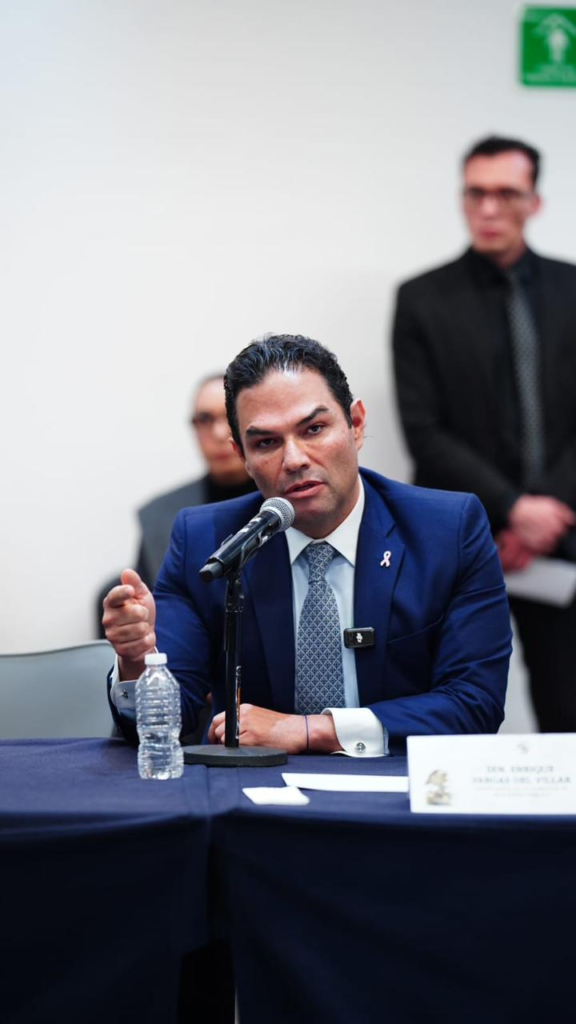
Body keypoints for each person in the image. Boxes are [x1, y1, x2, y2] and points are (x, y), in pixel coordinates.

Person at [103, 334, 511, 754]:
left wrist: (309, 731)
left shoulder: (447, 530)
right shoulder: (206, 542)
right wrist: (136, 663)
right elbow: (167, 721)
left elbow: (474, 703)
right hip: (256, 790)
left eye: (314, 429)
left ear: (356, 424)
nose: (294, 459)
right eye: (266, 443)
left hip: (399, 782)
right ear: (242, 456)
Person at [392, 135, 576, 732]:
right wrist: (513, 508)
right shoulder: (422, 299)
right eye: (476, 193)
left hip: (563, 538)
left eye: (506, 194)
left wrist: (544, 515)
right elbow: (424, 431)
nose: (489, 209)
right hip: (459, 537)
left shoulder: (572, 288)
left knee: (568, 711)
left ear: (535, 202)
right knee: (447, 710)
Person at [95, 374, 255, 635]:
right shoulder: (159, 516)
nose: (218, 433)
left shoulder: (286, 504)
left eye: (229, 416)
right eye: (205, 419)